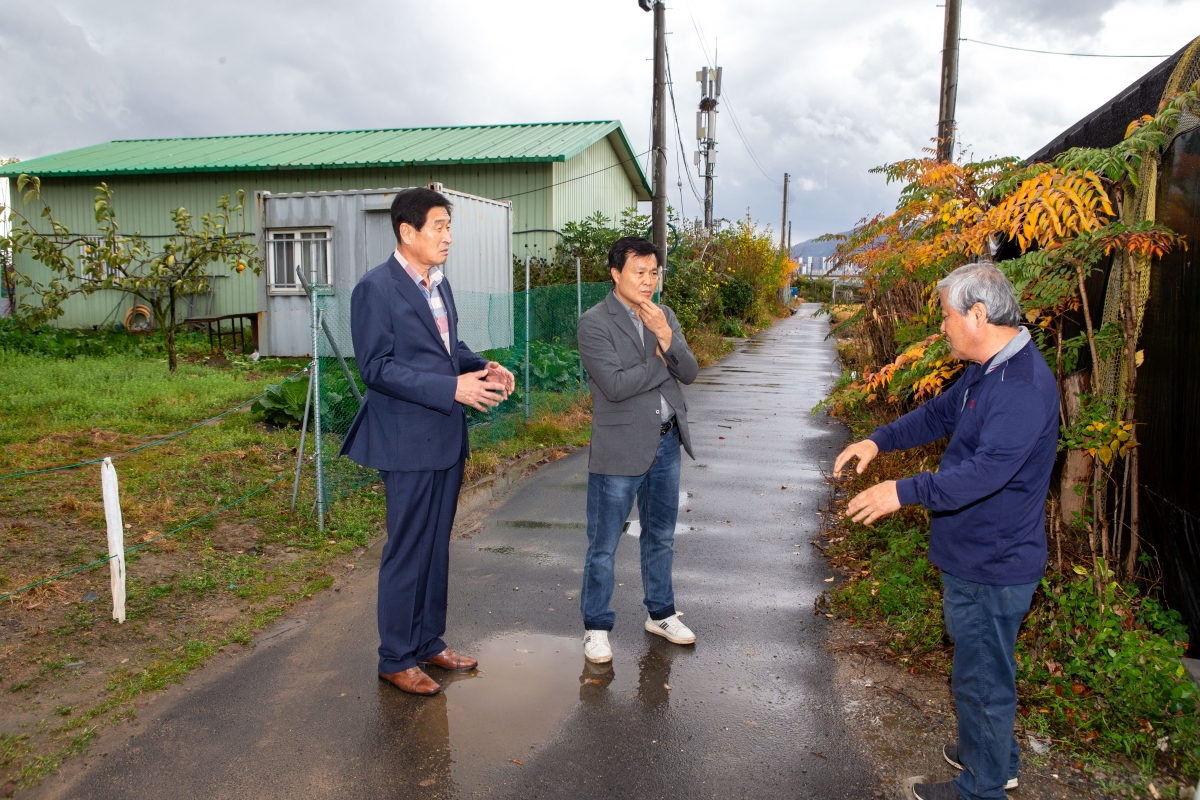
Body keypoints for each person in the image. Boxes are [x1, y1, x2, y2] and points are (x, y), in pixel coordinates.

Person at [832, 263, 1059, 800]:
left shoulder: (1021, 387)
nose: (943, 329)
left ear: (978, 315)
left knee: (981, 679)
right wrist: (878, 441)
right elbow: (937, 417)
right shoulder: (990, 369)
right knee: (982, 667)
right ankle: (994, 755)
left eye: (947, 317)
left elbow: (983, 475)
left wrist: (901, 491)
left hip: (994, 563)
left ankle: (980, 790)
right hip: (974, 555)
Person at [340, 187, 515, 696]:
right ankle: (395, 657)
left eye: (448, 226)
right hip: (406, 440)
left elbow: (446, 349)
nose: (448, 236)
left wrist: (480, 365)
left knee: (436, 547)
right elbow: (376, 367)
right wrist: (451, 387)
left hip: (445, 436)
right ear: (407, 232)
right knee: (407, 548)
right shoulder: (376, 289)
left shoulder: (438, 284)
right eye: (438, 226)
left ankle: (427, 642)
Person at [576, 236, 699, 664]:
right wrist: (661, 362)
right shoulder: (593, 322)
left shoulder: (663, 315)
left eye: (654, 273)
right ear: (615, 274)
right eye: (639, 272)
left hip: (666, 441)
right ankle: (596, 626)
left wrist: (668, 338)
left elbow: (691, 371)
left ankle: (661, 613)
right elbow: (613, 385)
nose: (649, 281)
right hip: (619, 446)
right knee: (604, 543)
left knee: (661, 535)